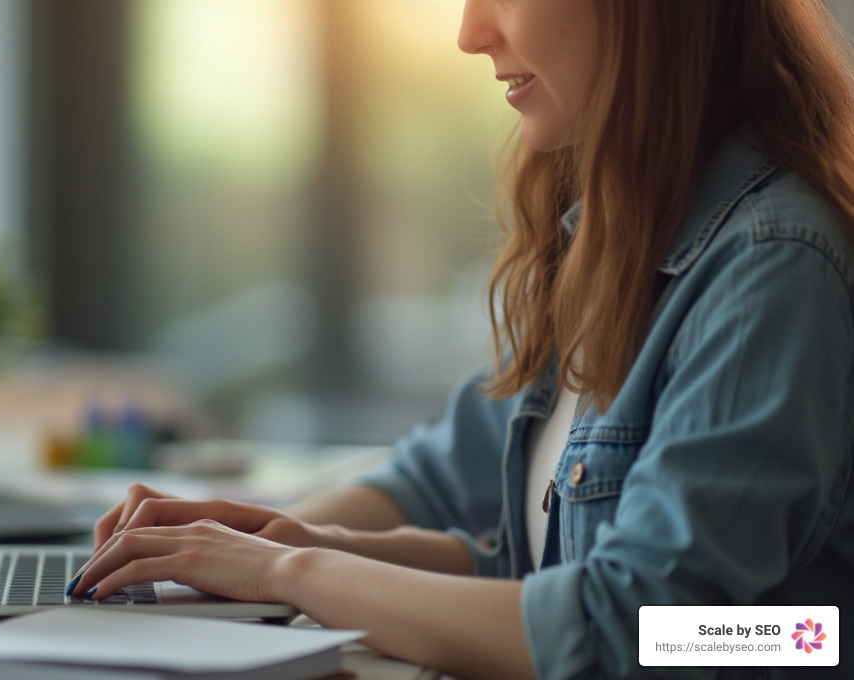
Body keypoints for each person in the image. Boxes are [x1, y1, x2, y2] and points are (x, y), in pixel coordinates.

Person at [68, 1, 854, 677]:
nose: (470, 32)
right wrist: (276, 543)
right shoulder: (612, 223)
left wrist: (294, 569)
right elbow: (515, 549)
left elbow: (644, 631)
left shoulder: (774, 268)